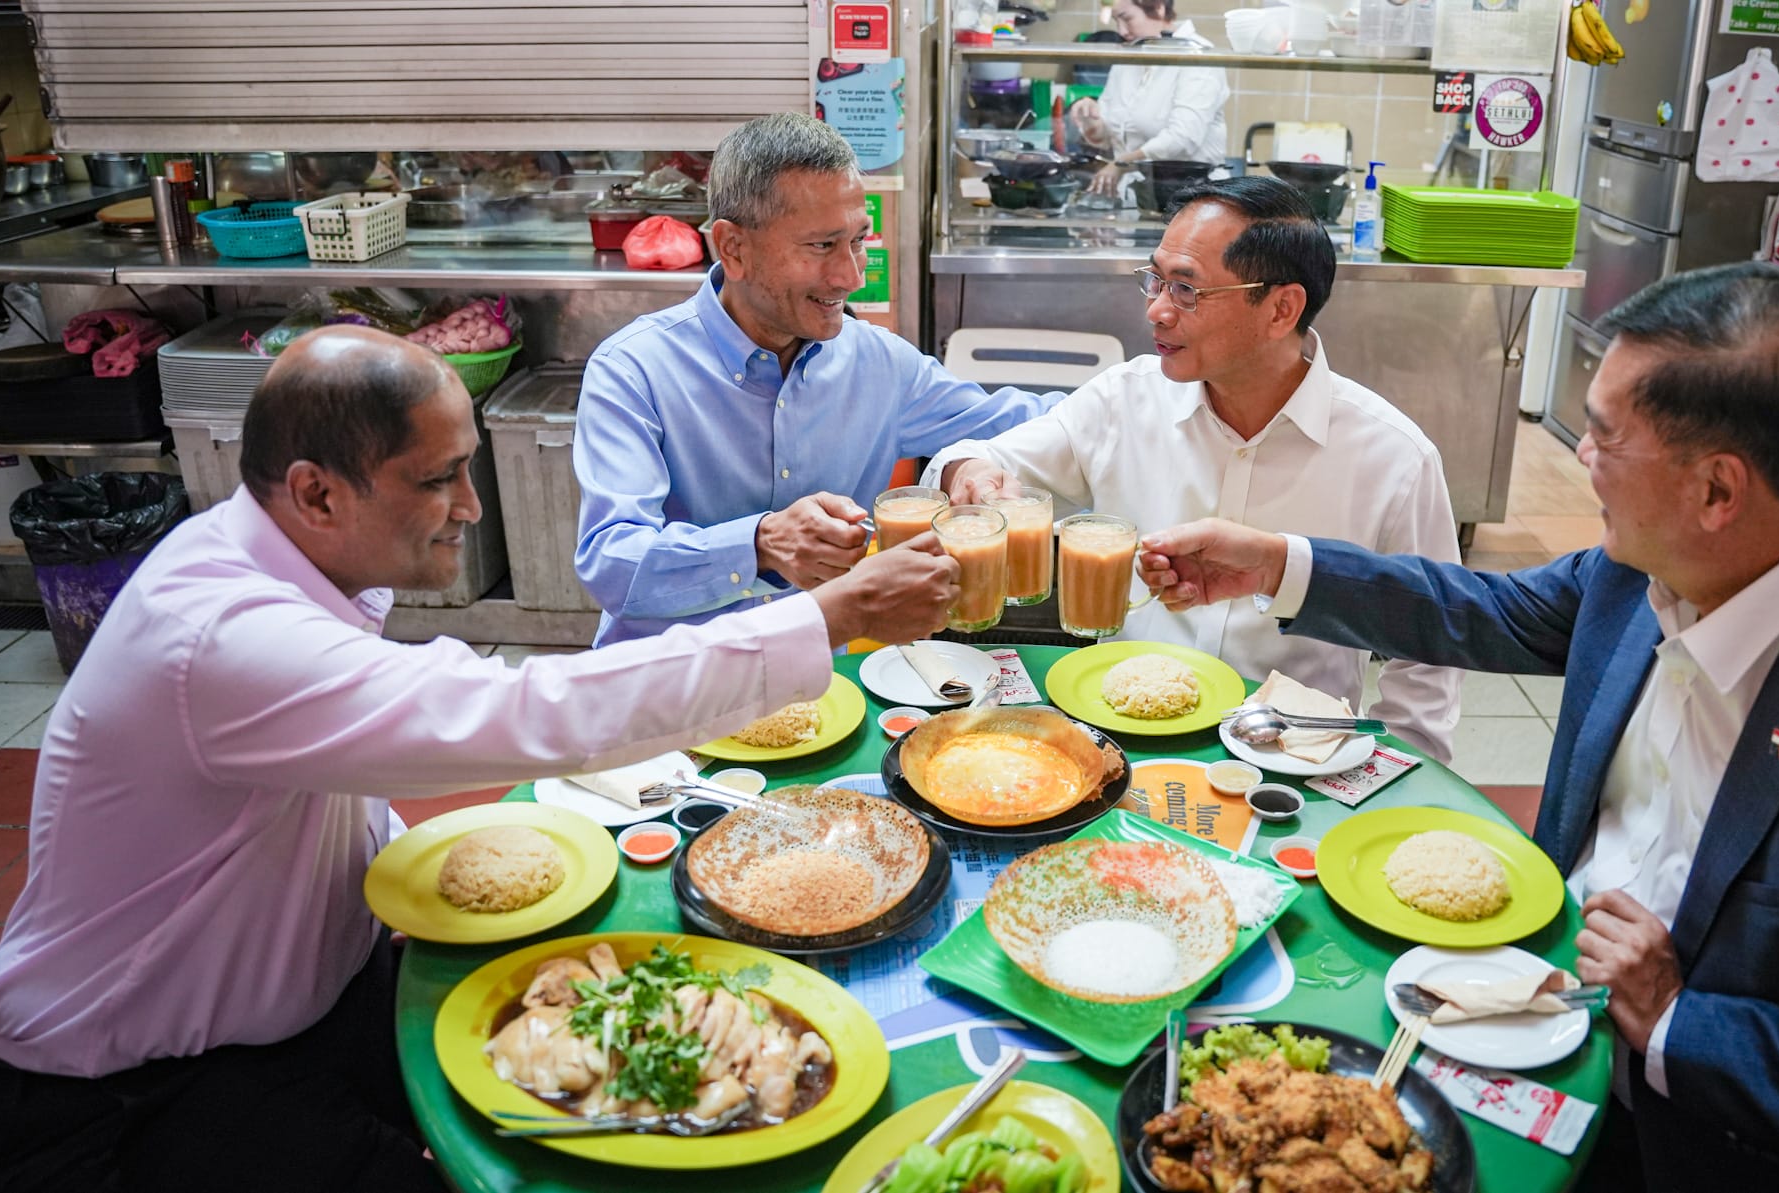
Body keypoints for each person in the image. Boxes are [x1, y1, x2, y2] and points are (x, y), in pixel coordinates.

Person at [1135, 262, 1779, 1189]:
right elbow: (1480, 609)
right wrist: (1276, 565)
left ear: (1718, 491)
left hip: (1703, 1138)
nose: (1578, 459)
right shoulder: (1640, 569)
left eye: (1605, 438)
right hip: (1529, 1023)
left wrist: (1682, 1020)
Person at [0, 326, 960, 1192]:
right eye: (435, 478)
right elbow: (515, 712)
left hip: (325, 989)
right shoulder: (219, 634)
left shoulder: (273, 556)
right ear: (316, 492)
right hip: (132, 1092)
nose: (469, 507)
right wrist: (830, 616)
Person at [931, 176, 1461, 760]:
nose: (1156, 310)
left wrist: (1394, 772)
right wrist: (970, 474)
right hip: (1120, 730)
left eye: (1187, 290)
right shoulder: (1125, 399)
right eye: (1156, 280)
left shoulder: (1393, 457)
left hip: (1291, 756)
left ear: (1281, 308)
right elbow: (979, 461)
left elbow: (1430, 653)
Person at [574, 112, 1059, 646]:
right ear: (732, 248)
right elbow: (612, 564)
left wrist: (1152, 389)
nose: (851, 276)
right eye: (823, 246)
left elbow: (1031, 423)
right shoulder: (633, 370)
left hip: (817, 693)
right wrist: (761, 543)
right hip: (671, 688)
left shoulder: (878, 363)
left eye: (859, 240)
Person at [1070, 1, 1229, 197]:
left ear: (1159, 8)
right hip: (1137, 196)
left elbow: (1182, 138)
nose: (1122, 31)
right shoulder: (1129, 57)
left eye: (1127, 18)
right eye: (1116, 21)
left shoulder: (1199, 56)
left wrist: (1122, 163)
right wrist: (1090, 119)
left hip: (1192, 196)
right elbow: (1107, 137)